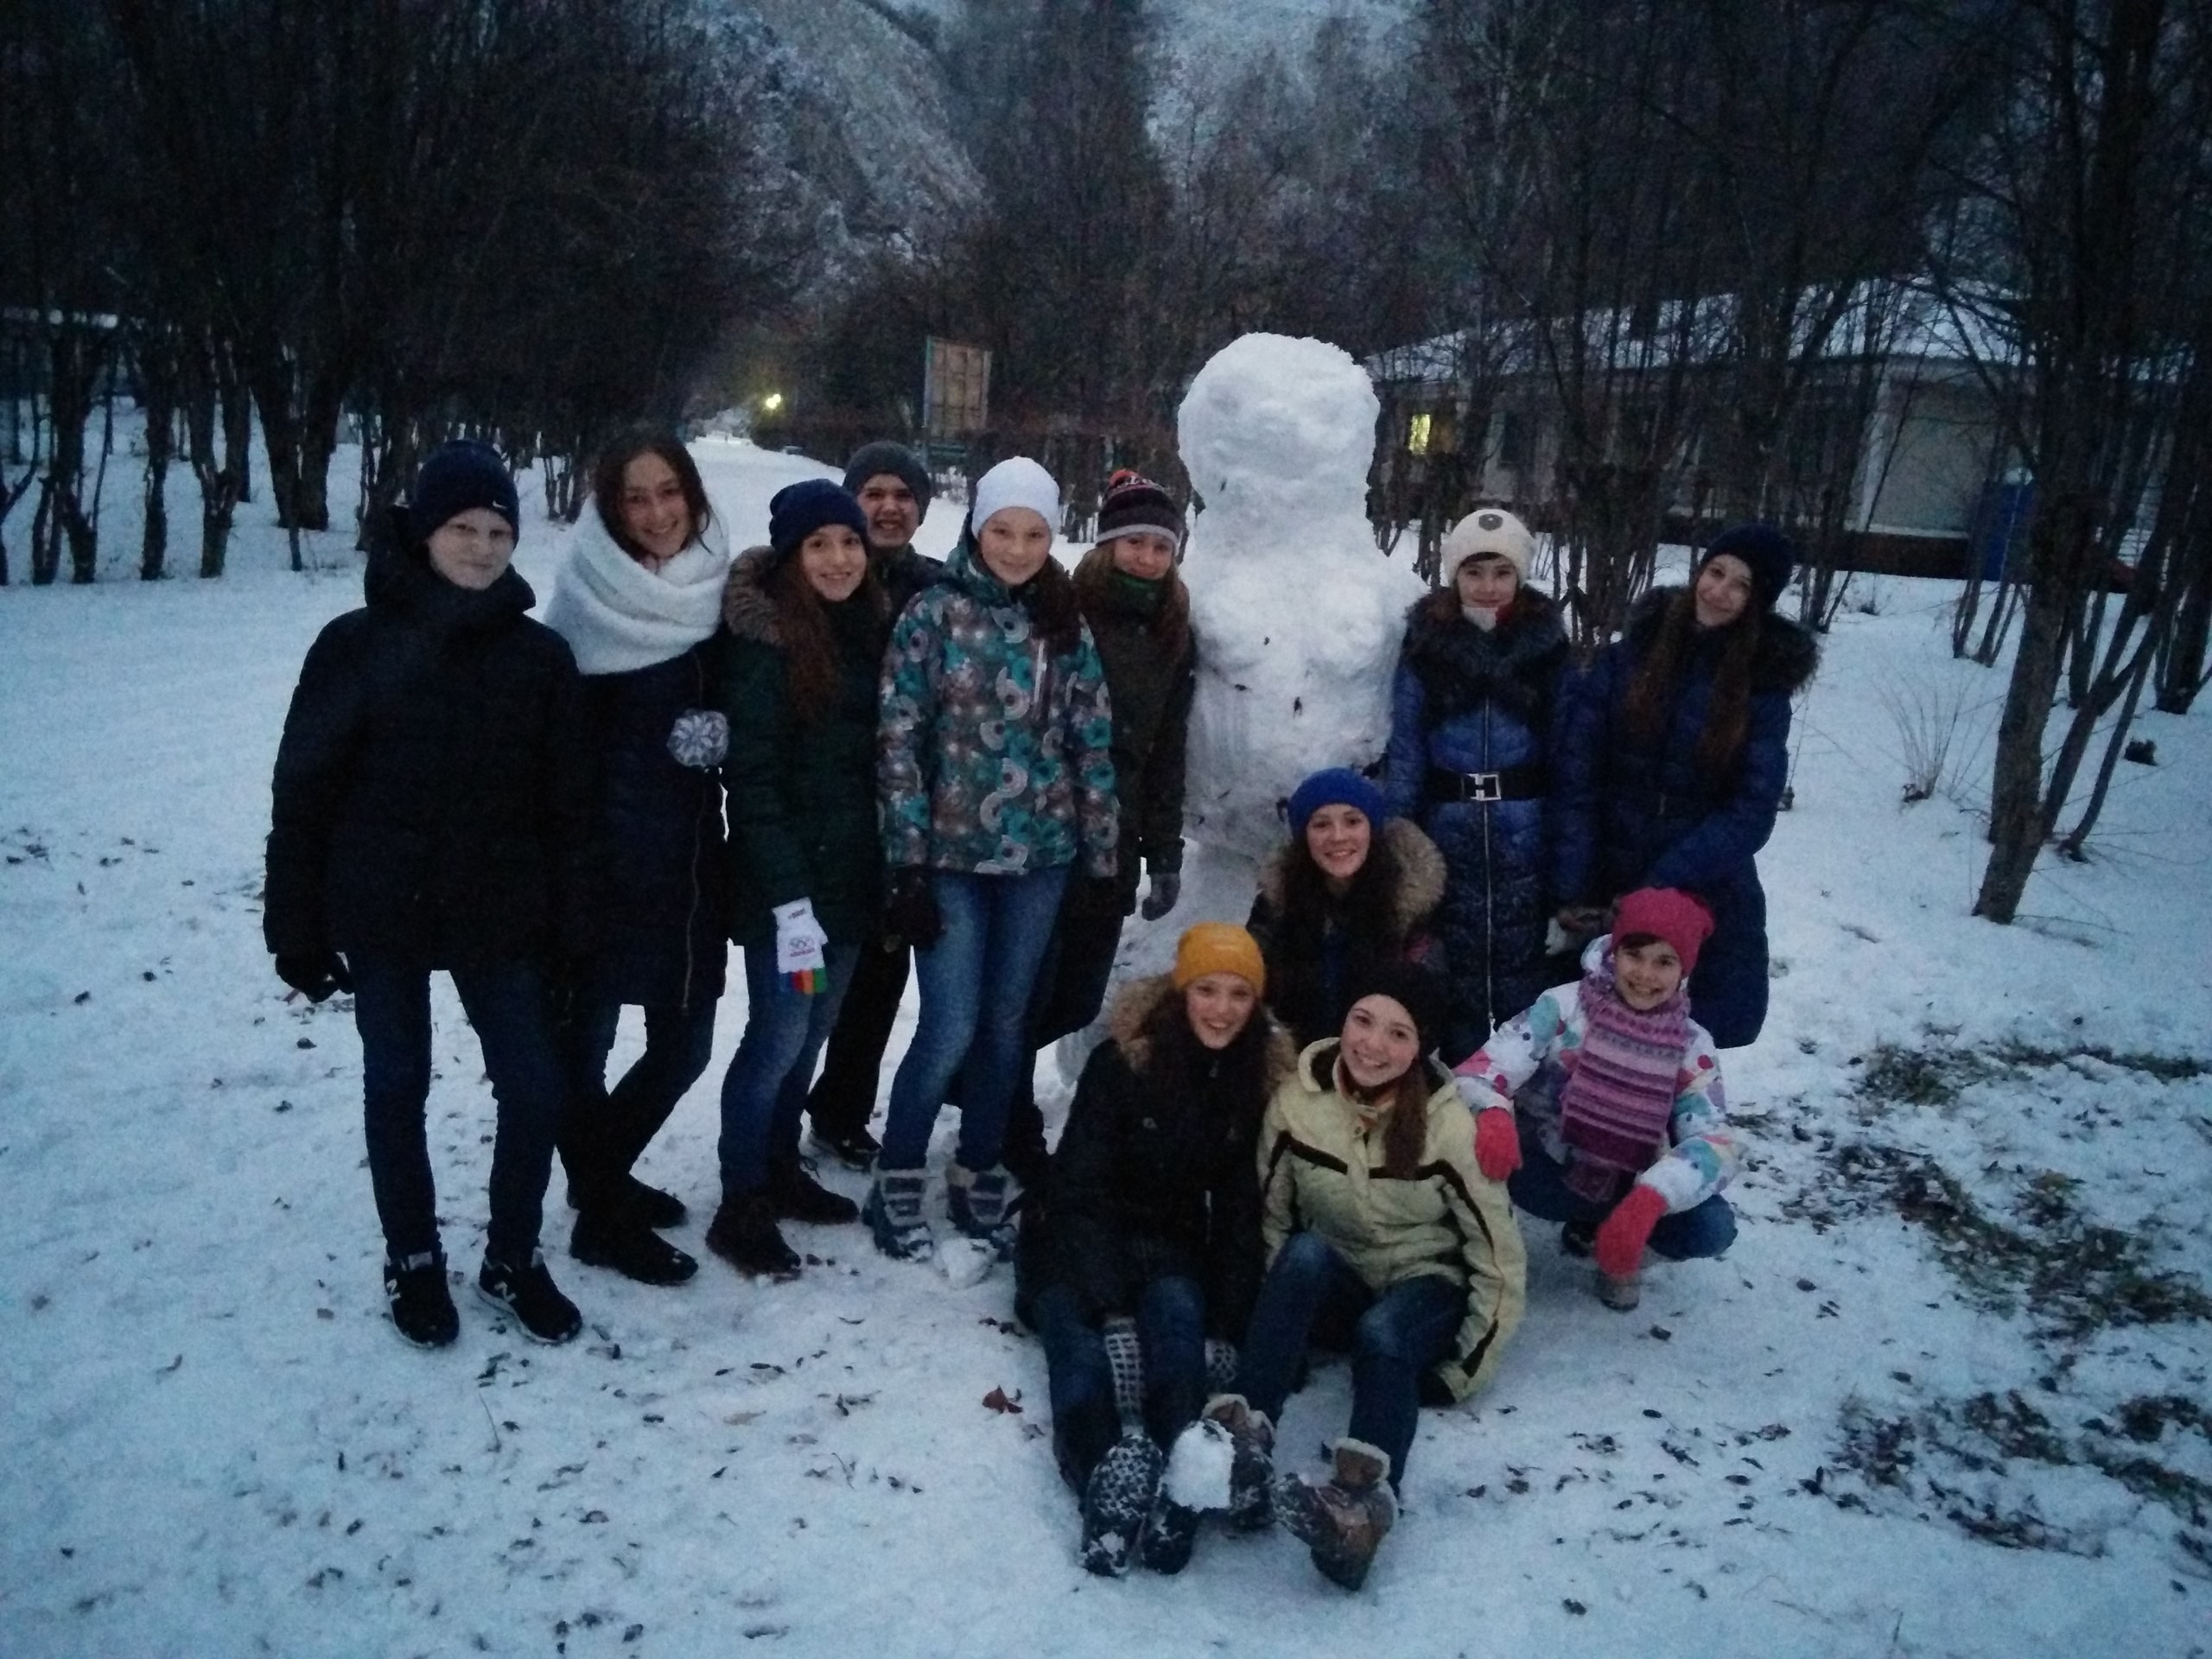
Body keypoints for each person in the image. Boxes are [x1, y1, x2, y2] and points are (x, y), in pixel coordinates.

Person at [264, 440, 592, 1347]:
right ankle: (412, 1256)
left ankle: (512, 1256)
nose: (482, 548)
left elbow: (568, 807)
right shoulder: (354, 646)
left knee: (534, 1087)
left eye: (498, 532)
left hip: (500, 912)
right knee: (396, 1082)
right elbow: (304, 791)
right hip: (383, 909)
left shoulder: (539, 658)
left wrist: (572, 928)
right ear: (423, 533)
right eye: (463, 529)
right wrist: (295, 924)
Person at [868, 455, 1118, 1262]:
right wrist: (906, 862)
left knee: (1009, 1026)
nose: (1017, 548)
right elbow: (899, 737)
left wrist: (1101, 858)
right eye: (1002, 531)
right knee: (951, 1025)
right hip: (950, 860)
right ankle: (897, 1173)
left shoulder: (1063, 619)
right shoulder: (933, 613)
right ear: (978, 529)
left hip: (1040, 859)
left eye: (1034, 534)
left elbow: (1090, 740)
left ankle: (977, 1166)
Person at [1228, 961, 1524, 1590]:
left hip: (1425, 1287)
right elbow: (1269, 1217)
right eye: (1363, 1021)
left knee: (1384, 1335)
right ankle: (1243, 1444)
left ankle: (1358, 1508)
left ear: (1420, 1047)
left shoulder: (1447, 1126)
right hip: (1342, 1278)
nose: (1373, 1044)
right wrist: (1283, 1329)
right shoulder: (1299, 1103)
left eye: (1398, 1033)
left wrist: (1464, 1369)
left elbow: (1498, 1254)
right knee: (1303, 1253)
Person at [1013, 923, 1292, 1577]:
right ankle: (1103, 1482)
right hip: (1070, 1236)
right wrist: (1110, 1307)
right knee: (1078, 1348)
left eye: (1239, 995)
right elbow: (1078, 1189)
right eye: (1207, 990)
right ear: (1180, 991)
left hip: (1167, 1238)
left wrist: (1230, 1321)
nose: (1221, 1009)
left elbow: (1239, 1209)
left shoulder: (1246, 1079)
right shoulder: (1123, 1062)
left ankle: (1184, 1480)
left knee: (1179, 1321)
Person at [538, 427, 731, 1288]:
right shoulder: (583, 600)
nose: (656, 513)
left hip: (687, 865)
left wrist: (719, 734)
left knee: (684, 1048)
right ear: (610, 508)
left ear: (692, 493)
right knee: (583, 1052)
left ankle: (599, 1181)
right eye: (635, 497)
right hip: (597, 866)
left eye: (669, 492)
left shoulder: (717, 588)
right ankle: (602, 1212)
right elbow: (552, 750)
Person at [994, 467, 1198, 1185]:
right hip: (1048, 833)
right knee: (1030, 990)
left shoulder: (1175, 632)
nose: (1146, 557)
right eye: (1133, 542)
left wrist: (1164, 851)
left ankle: (989, 1079)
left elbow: (1168, 749)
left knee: (1077, 997)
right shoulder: (1064, 611)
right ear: (1107, 545)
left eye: (1160, 546)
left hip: (1120, 838)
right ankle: (1008, 1119)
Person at [705, 480, 887, 1278]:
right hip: (794, 896)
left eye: (849, 542)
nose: (839, 559)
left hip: (849, 885)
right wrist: (789, 904)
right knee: (776, 1039)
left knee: (812, 1035)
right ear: (790, 557)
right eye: (819, 546)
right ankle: (741, 1197)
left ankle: (779, 1166)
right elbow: (753, 785)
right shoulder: (765, 644)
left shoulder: (867, 627)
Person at [1551, 524, 1817, 1049]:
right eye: (1715, 572)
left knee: (1682, 1039)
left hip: (1703, 879)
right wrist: (1573, 880)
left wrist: (1661, 886)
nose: (1719, 592)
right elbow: (1578, 771)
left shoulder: (1762, 688)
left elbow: (1751, 810)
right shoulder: (1628, 658)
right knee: (1575, 1028)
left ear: (1757, 601)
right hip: (1605, 866)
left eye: (1740, 585)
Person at [1454, 887, 1738, 1311]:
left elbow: (1715, 1141)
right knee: (1469, 1144)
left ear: (1684, 969)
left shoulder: (1692, 1045)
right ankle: (1476, 1250)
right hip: (1548, 1169)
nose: (1645, 974)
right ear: (1613, 952)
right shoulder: (1564, 1007)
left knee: (1711, 1227)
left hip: (1634, 1185)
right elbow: (1483, 1068)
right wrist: (1493, 1113)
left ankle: (1621, 1256)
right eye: (1634, 955)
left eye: (1664, 962)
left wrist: (1651, 1198)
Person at [802, 442, 945, 1171]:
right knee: (808, 988)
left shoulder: (938, 588)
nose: (889, 507)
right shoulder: (818, 581)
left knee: (881, 977)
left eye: (903, 495)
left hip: (907, 817)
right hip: (831, 815)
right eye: (874, 493)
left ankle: (841, 1110)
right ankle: (770, 1120)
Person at [1382, 507, 1568, 1059]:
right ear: (1454, 575)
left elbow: (1566, 752)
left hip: (1524, 831)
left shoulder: (1546, 649)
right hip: (1449, 828)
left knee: (1523, 970)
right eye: (1474, 572)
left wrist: (1567, 853)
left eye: (1502, 572)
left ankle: (1517, 1084)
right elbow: (1407, 750)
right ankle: (1459, 1082)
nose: (1488, 586)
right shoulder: (1426, 647)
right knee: (1454, 966)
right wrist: (1397, 839)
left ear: (1520, 576)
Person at [1246, 767, 1446, 1051]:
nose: (1338, 836)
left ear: (1372, 829)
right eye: (1321, 825)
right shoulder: (1277, 904)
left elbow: (1427, 1013)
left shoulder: (1411, 907)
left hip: (1378, 1062)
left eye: (1352, 821)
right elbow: (1247, 982)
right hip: (1295, 1066)